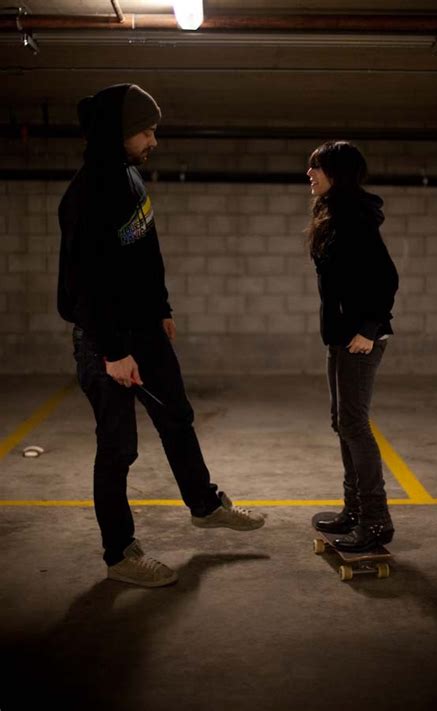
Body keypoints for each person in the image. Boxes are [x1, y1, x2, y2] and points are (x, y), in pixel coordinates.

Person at [57, 83, 265, 588]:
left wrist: (161, 308)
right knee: (119, 448)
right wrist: (113, 351)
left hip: (144, 328)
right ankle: (120, 553)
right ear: (118, 133)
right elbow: (87, 284)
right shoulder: (86, 195)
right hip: (108, 340)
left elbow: (145, 254)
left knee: (177, 417)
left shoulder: (129, 177)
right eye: (145, 132)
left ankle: (203, 505)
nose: (154, 141)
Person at [306, 140, 399, 552]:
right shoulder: (335, 214)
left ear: (337, 173)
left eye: (317, 167)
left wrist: (367, 327)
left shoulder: (355, 218)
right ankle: (355, 510)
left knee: (355, 425)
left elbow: (386, 278)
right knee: (341, 422)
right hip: (342, 337)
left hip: (361, 338)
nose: (309, 174)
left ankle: (376, 520)